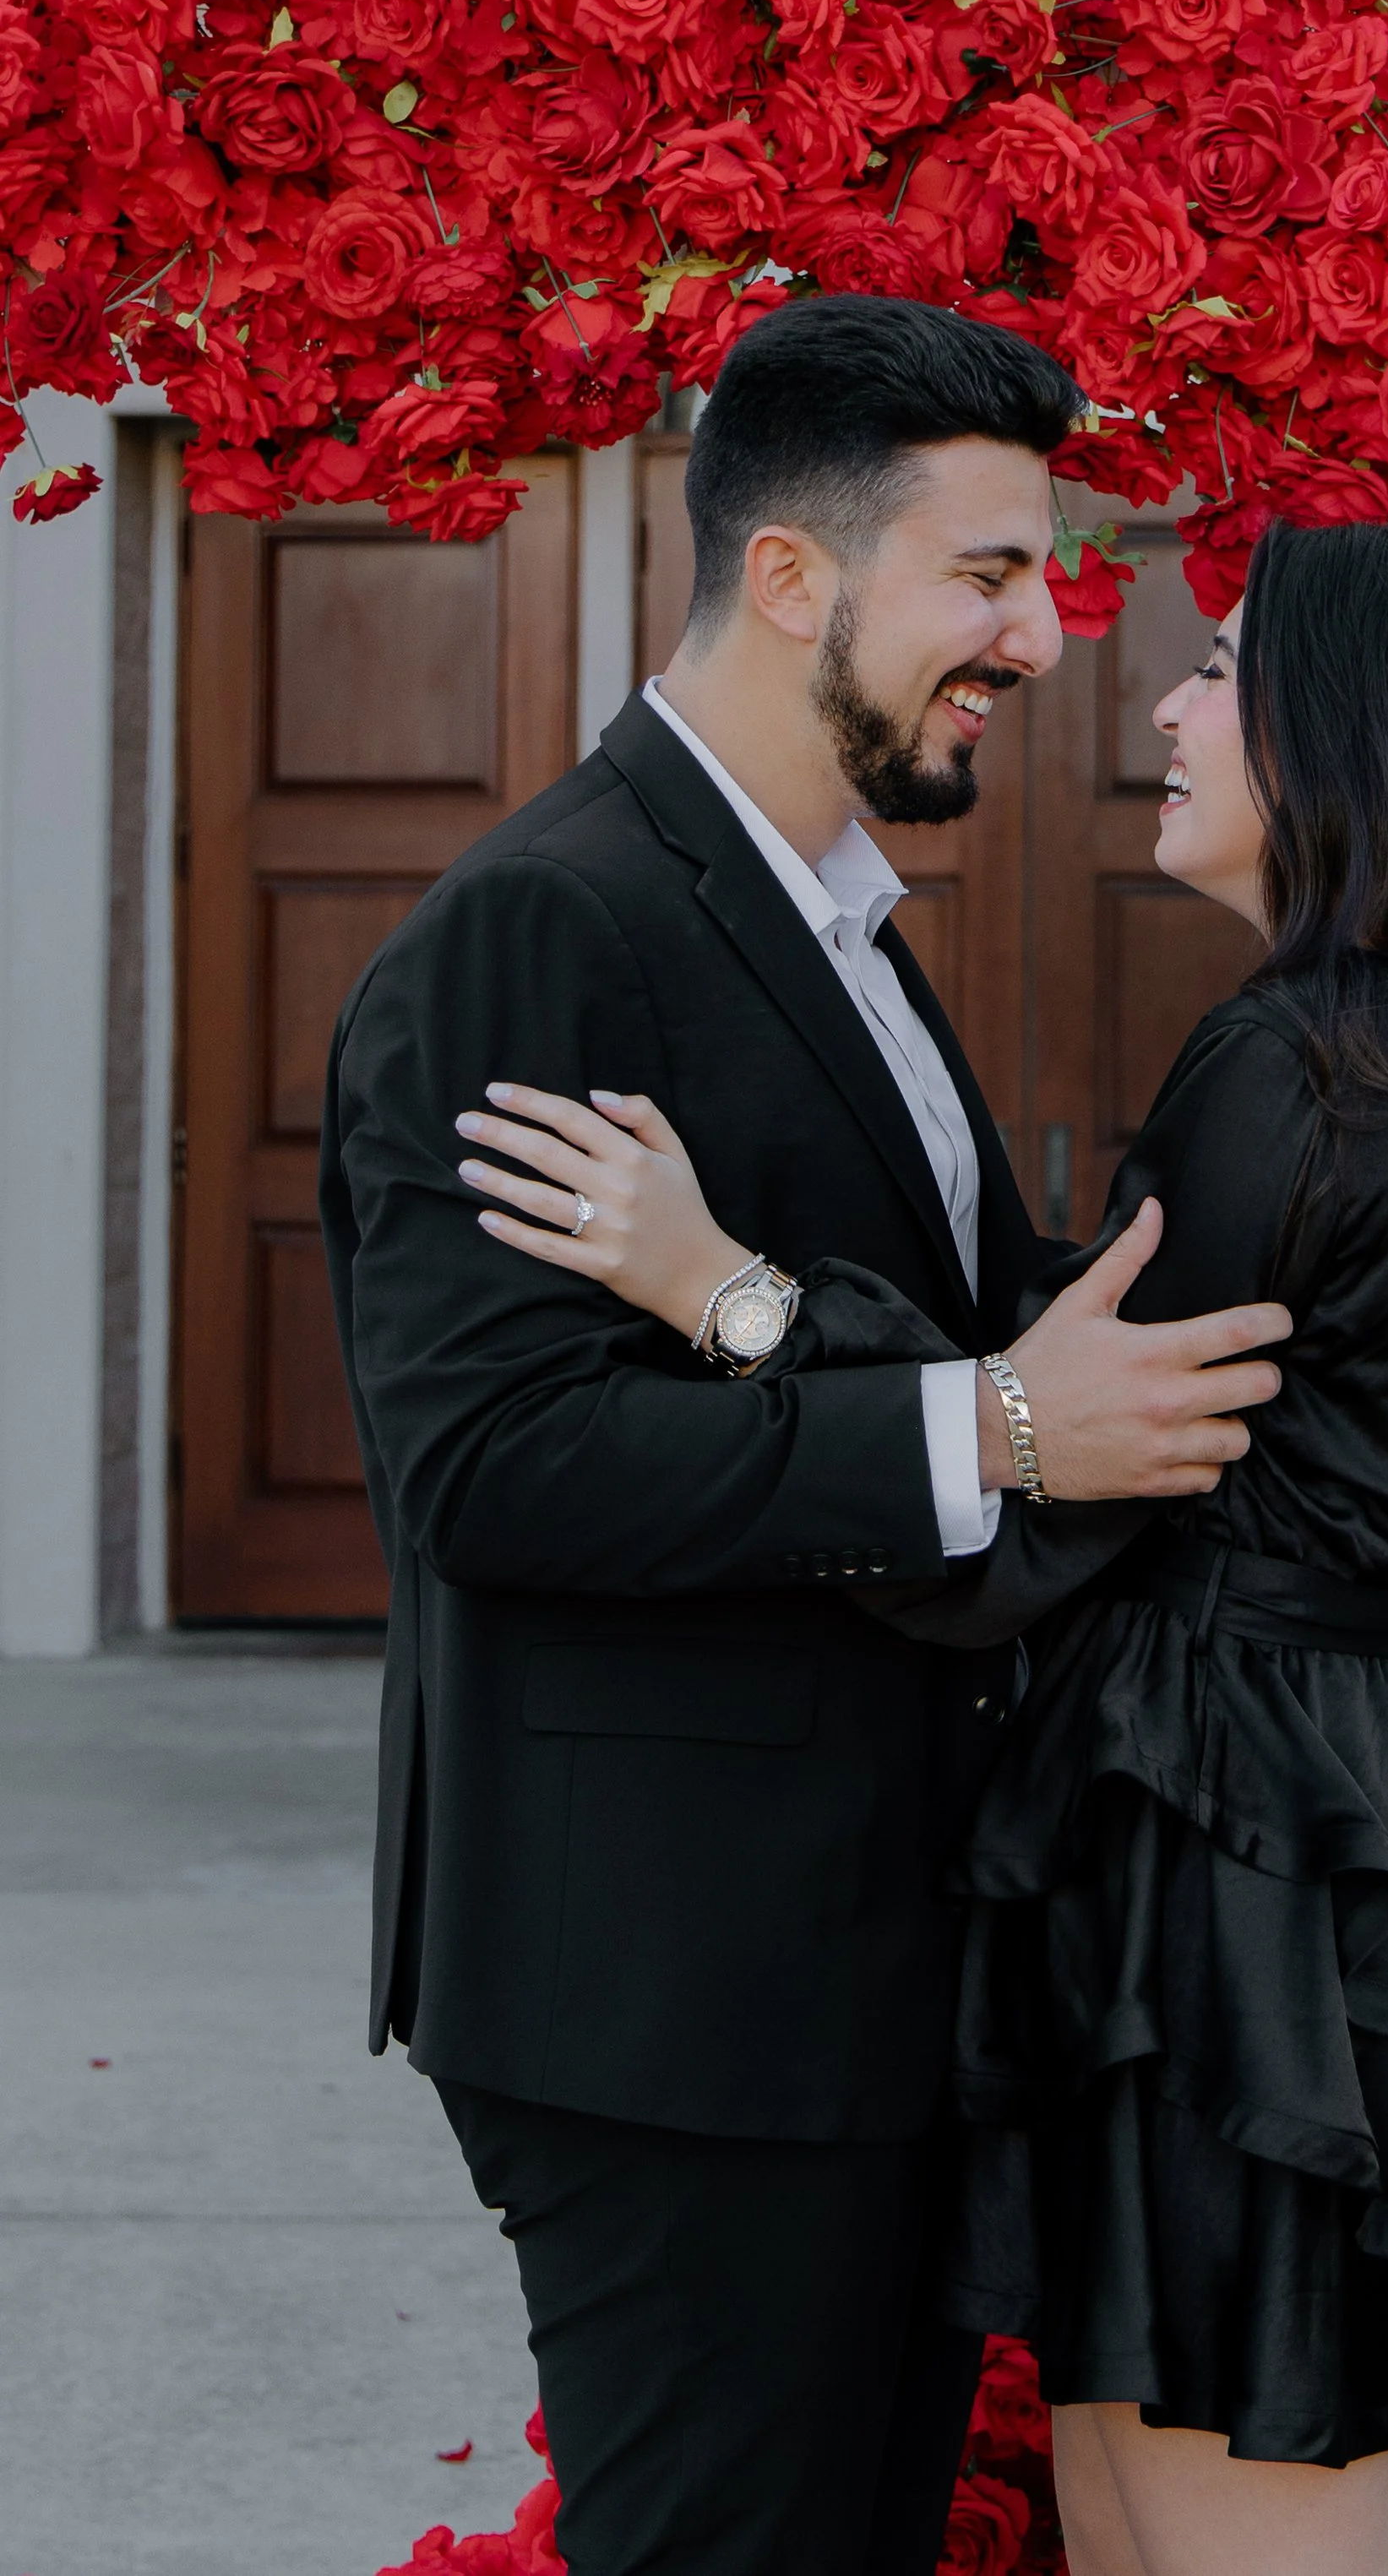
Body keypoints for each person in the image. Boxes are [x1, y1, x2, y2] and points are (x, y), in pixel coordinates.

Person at [486, 514, 1388, 2576]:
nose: (1161, 699)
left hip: (1244, 1850)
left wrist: (724, 1296)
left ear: (1351, 733)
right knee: (1173, 2499)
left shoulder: (1293, 1062)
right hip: (1326, 1812)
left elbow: (1075, 1456)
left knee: (1218, 2507)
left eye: (1224, 666)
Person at [318, 294, 1293, 2576]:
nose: (1043, 638)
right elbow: (496, 1469)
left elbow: (936, 1338)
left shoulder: (834, 916)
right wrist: (997, 1428)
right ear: (788, 572)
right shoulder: (543, 930)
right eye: (985, 573)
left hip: (863, 1959)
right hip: (669, 1994)